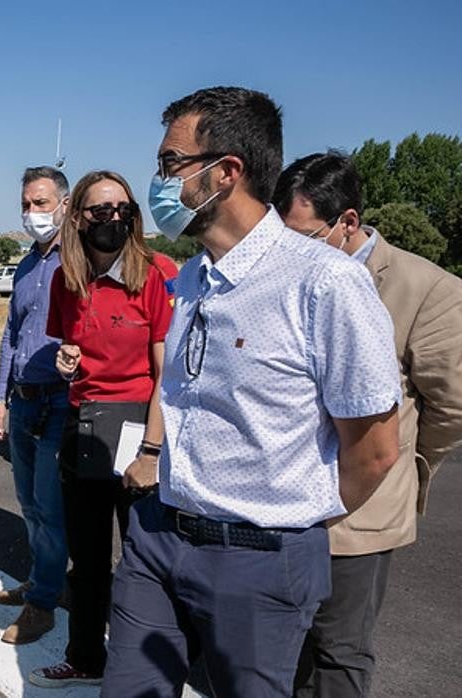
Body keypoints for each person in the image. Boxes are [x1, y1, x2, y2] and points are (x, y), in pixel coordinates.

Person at [100, 86, 402, 697]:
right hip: (158, 538)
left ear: (226, 171)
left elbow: (374, 449)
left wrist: (287, 520)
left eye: (170, 164)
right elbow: (180, 392)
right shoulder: (190, 277)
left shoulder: (325, 284)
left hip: (260, 557)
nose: (159, 183)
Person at [274, 151, 462, 697]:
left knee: (340, 648)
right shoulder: (287, 273)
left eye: (303, 236)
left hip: (358, 506)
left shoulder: (425, 290)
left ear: (348, 222)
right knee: (285, 640)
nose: (290, 251)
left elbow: (449, 408)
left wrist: (399, 467)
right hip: (283, 499)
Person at [28, 171, 177, 687]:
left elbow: (167, 376)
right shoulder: (67, 279)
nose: (112, 218)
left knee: (142, 562)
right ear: (78, 218)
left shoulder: (156, 274)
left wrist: (152, 452)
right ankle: (86, 658)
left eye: (122, 209)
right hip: (86, 426)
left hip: (140, 428)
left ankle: (139, 670)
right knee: (87, 559)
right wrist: (68, 358)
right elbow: (71, 346)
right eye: (99, 210)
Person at [0, 165, 71, 645]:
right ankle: (43, 580)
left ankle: (43, 604)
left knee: (50, 504)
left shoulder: (78, 260)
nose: (32, 213)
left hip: (60, 400)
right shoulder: (26, 265)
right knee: (29, 503)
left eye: (40, 203)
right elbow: (12, 335)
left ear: (63, 203)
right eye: (26, 204)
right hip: (22, 400)